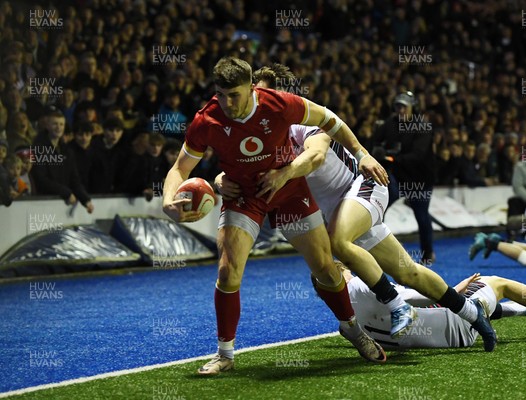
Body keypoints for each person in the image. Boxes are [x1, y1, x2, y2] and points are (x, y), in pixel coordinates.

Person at [217, 64, 497, 351]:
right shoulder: (260, 134)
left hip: (363, 186)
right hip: (342, 208)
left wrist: (286, 172)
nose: (259, 99)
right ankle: (472, 314)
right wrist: (220, 181)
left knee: (339, 240)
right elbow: (238, 169)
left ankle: (398, 306)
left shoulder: (302, 121)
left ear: (284, 95)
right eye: (257, 92)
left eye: (265, 92)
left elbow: (315, 156)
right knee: (408, 272)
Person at [162, 57, 390, 375]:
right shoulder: (207, 120)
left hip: (289, 191)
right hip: (243, 197)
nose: (227, 103)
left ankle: (351, 327)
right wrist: (167, 202)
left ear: (251, 88)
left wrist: (362, 154)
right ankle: (225, 354)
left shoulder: (279, 104)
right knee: (228, 271)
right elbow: (180, 168)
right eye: (221, 95)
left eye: (235, 95)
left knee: (325, 267)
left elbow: (331, 121)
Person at [342, 267, 526, 350]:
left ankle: (518, 310)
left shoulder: (344, 323)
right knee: (497, 283)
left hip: (452, 341)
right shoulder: (364, 286)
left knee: (474, 299)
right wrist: (453, 291)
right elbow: (420, 297)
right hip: (462, 322)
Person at [369, 92, 436, 264]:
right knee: (380, 206)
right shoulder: (390, 124)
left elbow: (418, 155)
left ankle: (427, 253)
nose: (400, 110)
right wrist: (378, 149)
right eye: (398, 106)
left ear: (413, 108)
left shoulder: (421, 126)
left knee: (421, 215)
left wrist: (391, 156)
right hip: (398, 174)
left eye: (404, 106)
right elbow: (375, 142)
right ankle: (376, 247)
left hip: (420, 178)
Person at [30, 110, 94, 213]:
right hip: (43, 205)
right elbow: (40, 179)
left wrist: (85, 200)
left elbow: (74, 179)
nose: (58, 127)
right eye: (55, 124)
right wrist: (66, 193)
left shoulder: (67, 151)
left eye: (61, 124)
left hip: (61, 205)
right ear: (47, 126)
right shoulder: (39, 148)